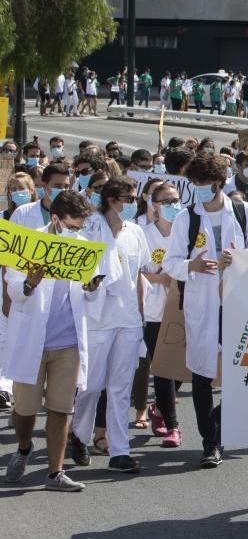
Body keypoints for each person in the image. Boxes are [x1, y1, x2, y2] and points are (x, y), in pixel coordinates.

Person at [3, 191, 113, 490]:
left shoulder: (83, 249)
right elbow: (12, 289)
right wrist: (29, 282)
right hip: (32, 341)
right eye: (72, 226)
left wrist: (91, 288)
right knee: (25, 410)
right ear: (55, 219)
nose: (77, 232)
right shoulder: (29, 244)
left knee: (61, 407)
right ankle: (24, 447)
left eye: (80, 227)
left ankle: (56, 472)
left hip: (68, 343)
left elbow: (92, 296)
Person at [162, 152, 248, 468]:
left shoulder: (243, 212)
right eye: (195, 184)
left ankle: (219, 422)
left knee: (244, 372)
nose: (198, 189)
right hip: (203, 304)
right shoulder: (186, 218)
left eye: (204, 184)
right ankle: (210, 442)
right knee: (203, 373)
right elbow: (170, 263)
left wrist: (242, 260)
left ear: (219, 182)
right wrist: (190, 265)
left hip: (238, 301)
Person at [67, 176, 149, 475]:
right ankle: (78, 432)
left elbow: (138, 274)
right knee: (90, 385)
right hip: (96, 317)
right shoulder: (90, 229)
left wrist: (140, 315)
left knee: (120, 387)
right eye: (128, 199)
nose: (134, 204)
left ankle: (119, 451)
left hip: (127, 319)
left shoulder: (136, 232)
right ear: (113, 201)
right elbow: (77, 271)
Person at [140, 182, 184, 448]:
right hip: (154, 311)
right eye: (166, 201)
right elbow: (131, 270)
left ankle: (158, 405)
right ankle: (172, 426)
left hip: (185, 308)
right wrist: (159, 277)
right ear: (154, 205)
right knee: (164, 369)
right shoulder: (142, 233)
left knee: (185, 366)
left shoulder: (190, 230)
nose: (172, 205)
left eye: (176, 199)